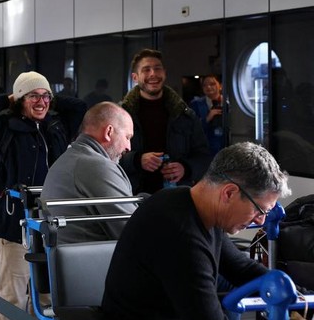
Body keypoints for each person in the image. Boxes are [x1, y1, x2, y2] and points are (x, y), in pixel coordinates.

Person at [98, 142, 291, 320]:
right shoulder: (180, 235)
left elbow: (242, 269)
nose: (260, 221)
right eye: (259, 210)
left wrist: (296, 296)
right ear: (229, 193)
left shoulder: (194, 207)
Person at [0, 71, 84, 320]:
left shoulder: (55, 127)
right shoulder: (3, 129)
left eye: (45, 96)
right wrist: (9, 98)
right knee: (13, 293)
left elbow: (78, 106)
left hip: (50, 222)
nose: (41, 102)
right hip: (15, 223)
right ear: (20, 99)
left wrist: (48, 97)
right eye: (33, 96)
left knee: (47, 293)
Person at [41, 102, 137, 244]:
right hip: (96, 262)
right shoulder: (97, 167)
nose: (129, 147)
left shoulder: (71, 158)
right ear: (109, 132)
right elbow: (133, 232)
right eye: (127, 137)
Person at [120, 49, 211, 194]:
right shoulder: (120, 115)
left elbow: (204, 156)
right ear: (135, 77)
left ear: (165, 73)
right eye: (146, 70)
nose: (153, 74)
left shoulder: (185, 114)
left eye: (157, 68)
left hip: (176, 197)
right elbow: (107, 158)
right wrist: (137, 160)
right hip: (133, 197)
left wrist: (185, 168)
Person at [190, 74, 227, 155]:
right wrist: (207, 118)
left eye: (212, 84)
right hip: (205, 150)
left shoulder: (228, 102)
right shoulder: (195, 104)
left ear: (220, 86)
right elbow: (191, 128)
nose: (208, 87)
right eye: (205, 85)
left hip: (226, 147)